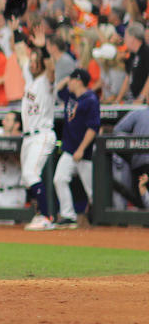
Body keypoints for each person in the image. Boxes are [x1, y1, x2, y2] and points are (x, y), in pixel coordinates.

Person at [16, 44, 58, 231]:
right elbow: (19, 53)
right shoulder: (30, 81)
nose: (32, 64)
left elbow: (51, 69)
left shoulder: (47, 81)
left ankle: (47, 216)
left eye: (36, 61)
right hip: (28, 137)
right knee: (27, 180)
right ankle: (39, 214)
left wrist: (43, 48)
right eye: (31, 61)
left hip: (42, 134)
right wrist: (16, 29)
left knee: (31, 174)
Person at [52, 68, 100, 228]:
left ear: (78, 81)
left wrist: (81, 149)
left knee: (92, 191)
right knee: (59, 178)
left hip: (84, 152)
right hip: (69, 149)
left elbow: (93, 127)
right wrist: (67, 79)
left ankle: (103, 219)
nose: (68, 82)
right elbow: (57, 91)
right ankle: (68, 215)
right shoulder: (70, 96)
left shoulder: (91, 99)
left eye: (72, 79)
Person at [112, 106, 149, 207]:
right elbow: (117, 130)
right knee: (140, 199)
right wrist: (135, 141)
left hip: (140, 164)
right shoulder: (139, 113)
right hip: (140, 164)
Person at [115, 23, 149, 103]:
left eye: (126, 37)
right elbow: (128, 77)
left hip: (143, 100)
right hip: (132, 99)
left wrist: (141, 97)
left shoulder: (146, 52)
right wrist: (118, 100)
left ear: (132, 38)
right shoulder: (132, 55)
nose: (124, 40)